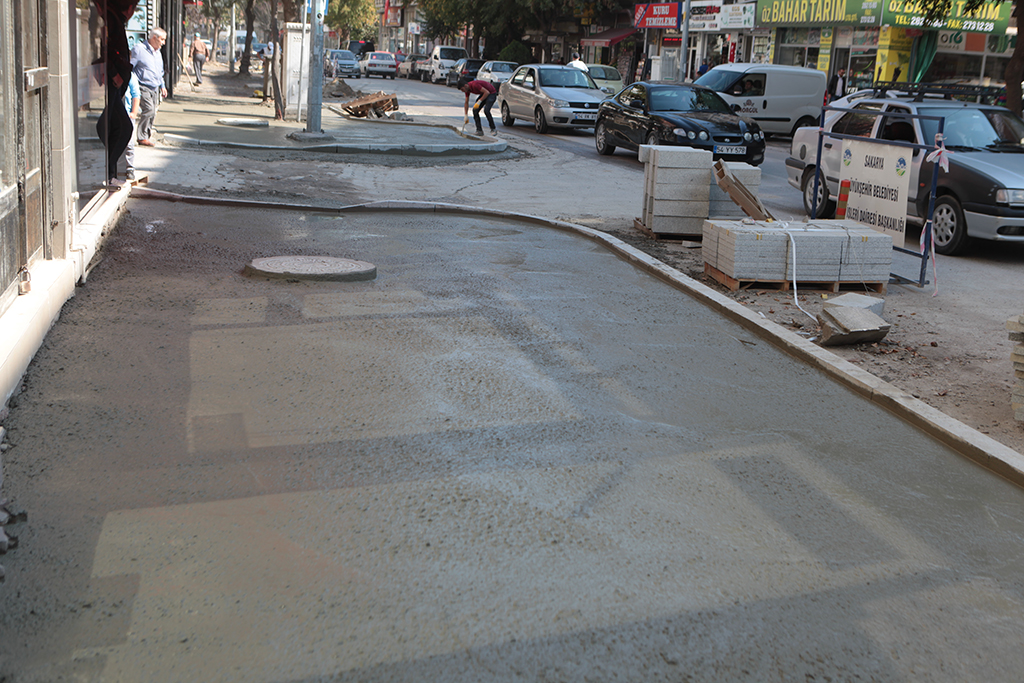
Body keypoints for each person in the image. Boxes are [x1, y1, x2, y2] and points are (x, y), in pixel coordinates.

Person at [95, 0, 138, 187]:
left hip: (115, 82)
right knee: (122, 127)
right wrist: (114, 74)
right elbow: (105, 50)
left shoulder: (112, 19)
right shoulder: (110, 19)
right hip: (112, 81)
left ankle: (110, 172)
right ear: (129, 8)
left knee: (119, 126)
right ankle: (108, 171)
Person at [131, 27, 167, 147]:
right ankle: (142, 137)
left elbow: (159, 71)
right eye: (162, 39)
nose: (163, 43)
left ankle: (146, 135)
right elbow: (130, 67)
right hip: (142, 85)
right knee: (149, 109)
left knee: (153, 112)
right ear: (154, 38)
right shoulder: (139, 49)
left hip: (155, 86)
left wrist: (163, 86)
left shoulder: (158, 53)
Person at [120, 71, 140, 181]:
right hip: (116, 113)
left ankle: (129, 167)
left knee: (129, 143)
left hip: (128, 114)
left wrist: (134, 113)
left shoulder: (131, 76)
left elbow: (136, 95)